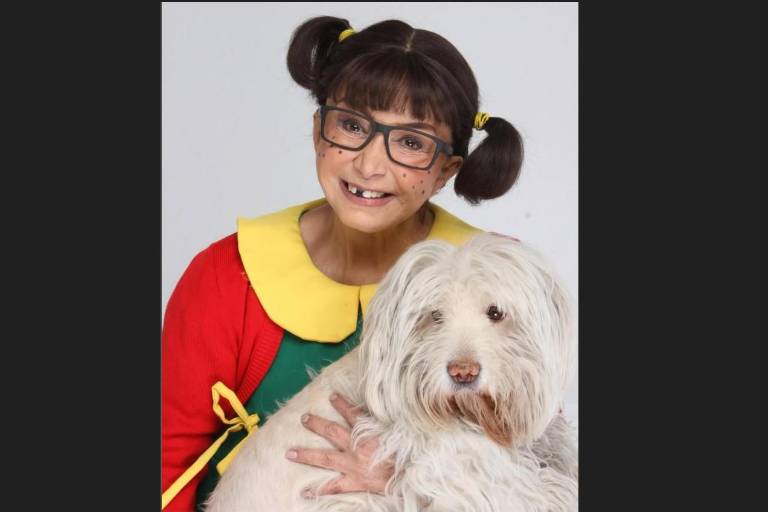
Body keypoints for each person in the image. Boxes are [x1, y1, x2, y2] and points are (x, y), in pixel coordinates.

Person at [161, 15, 523, 511]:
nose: (370, 165)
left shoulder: (498, 278)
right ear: (318, 132)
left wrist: (413, 480)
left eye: (411, 142)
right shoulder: (227, 276)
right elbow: (167, 463)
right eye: (352, 126)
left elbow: (535, 456)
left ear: (446, 170)